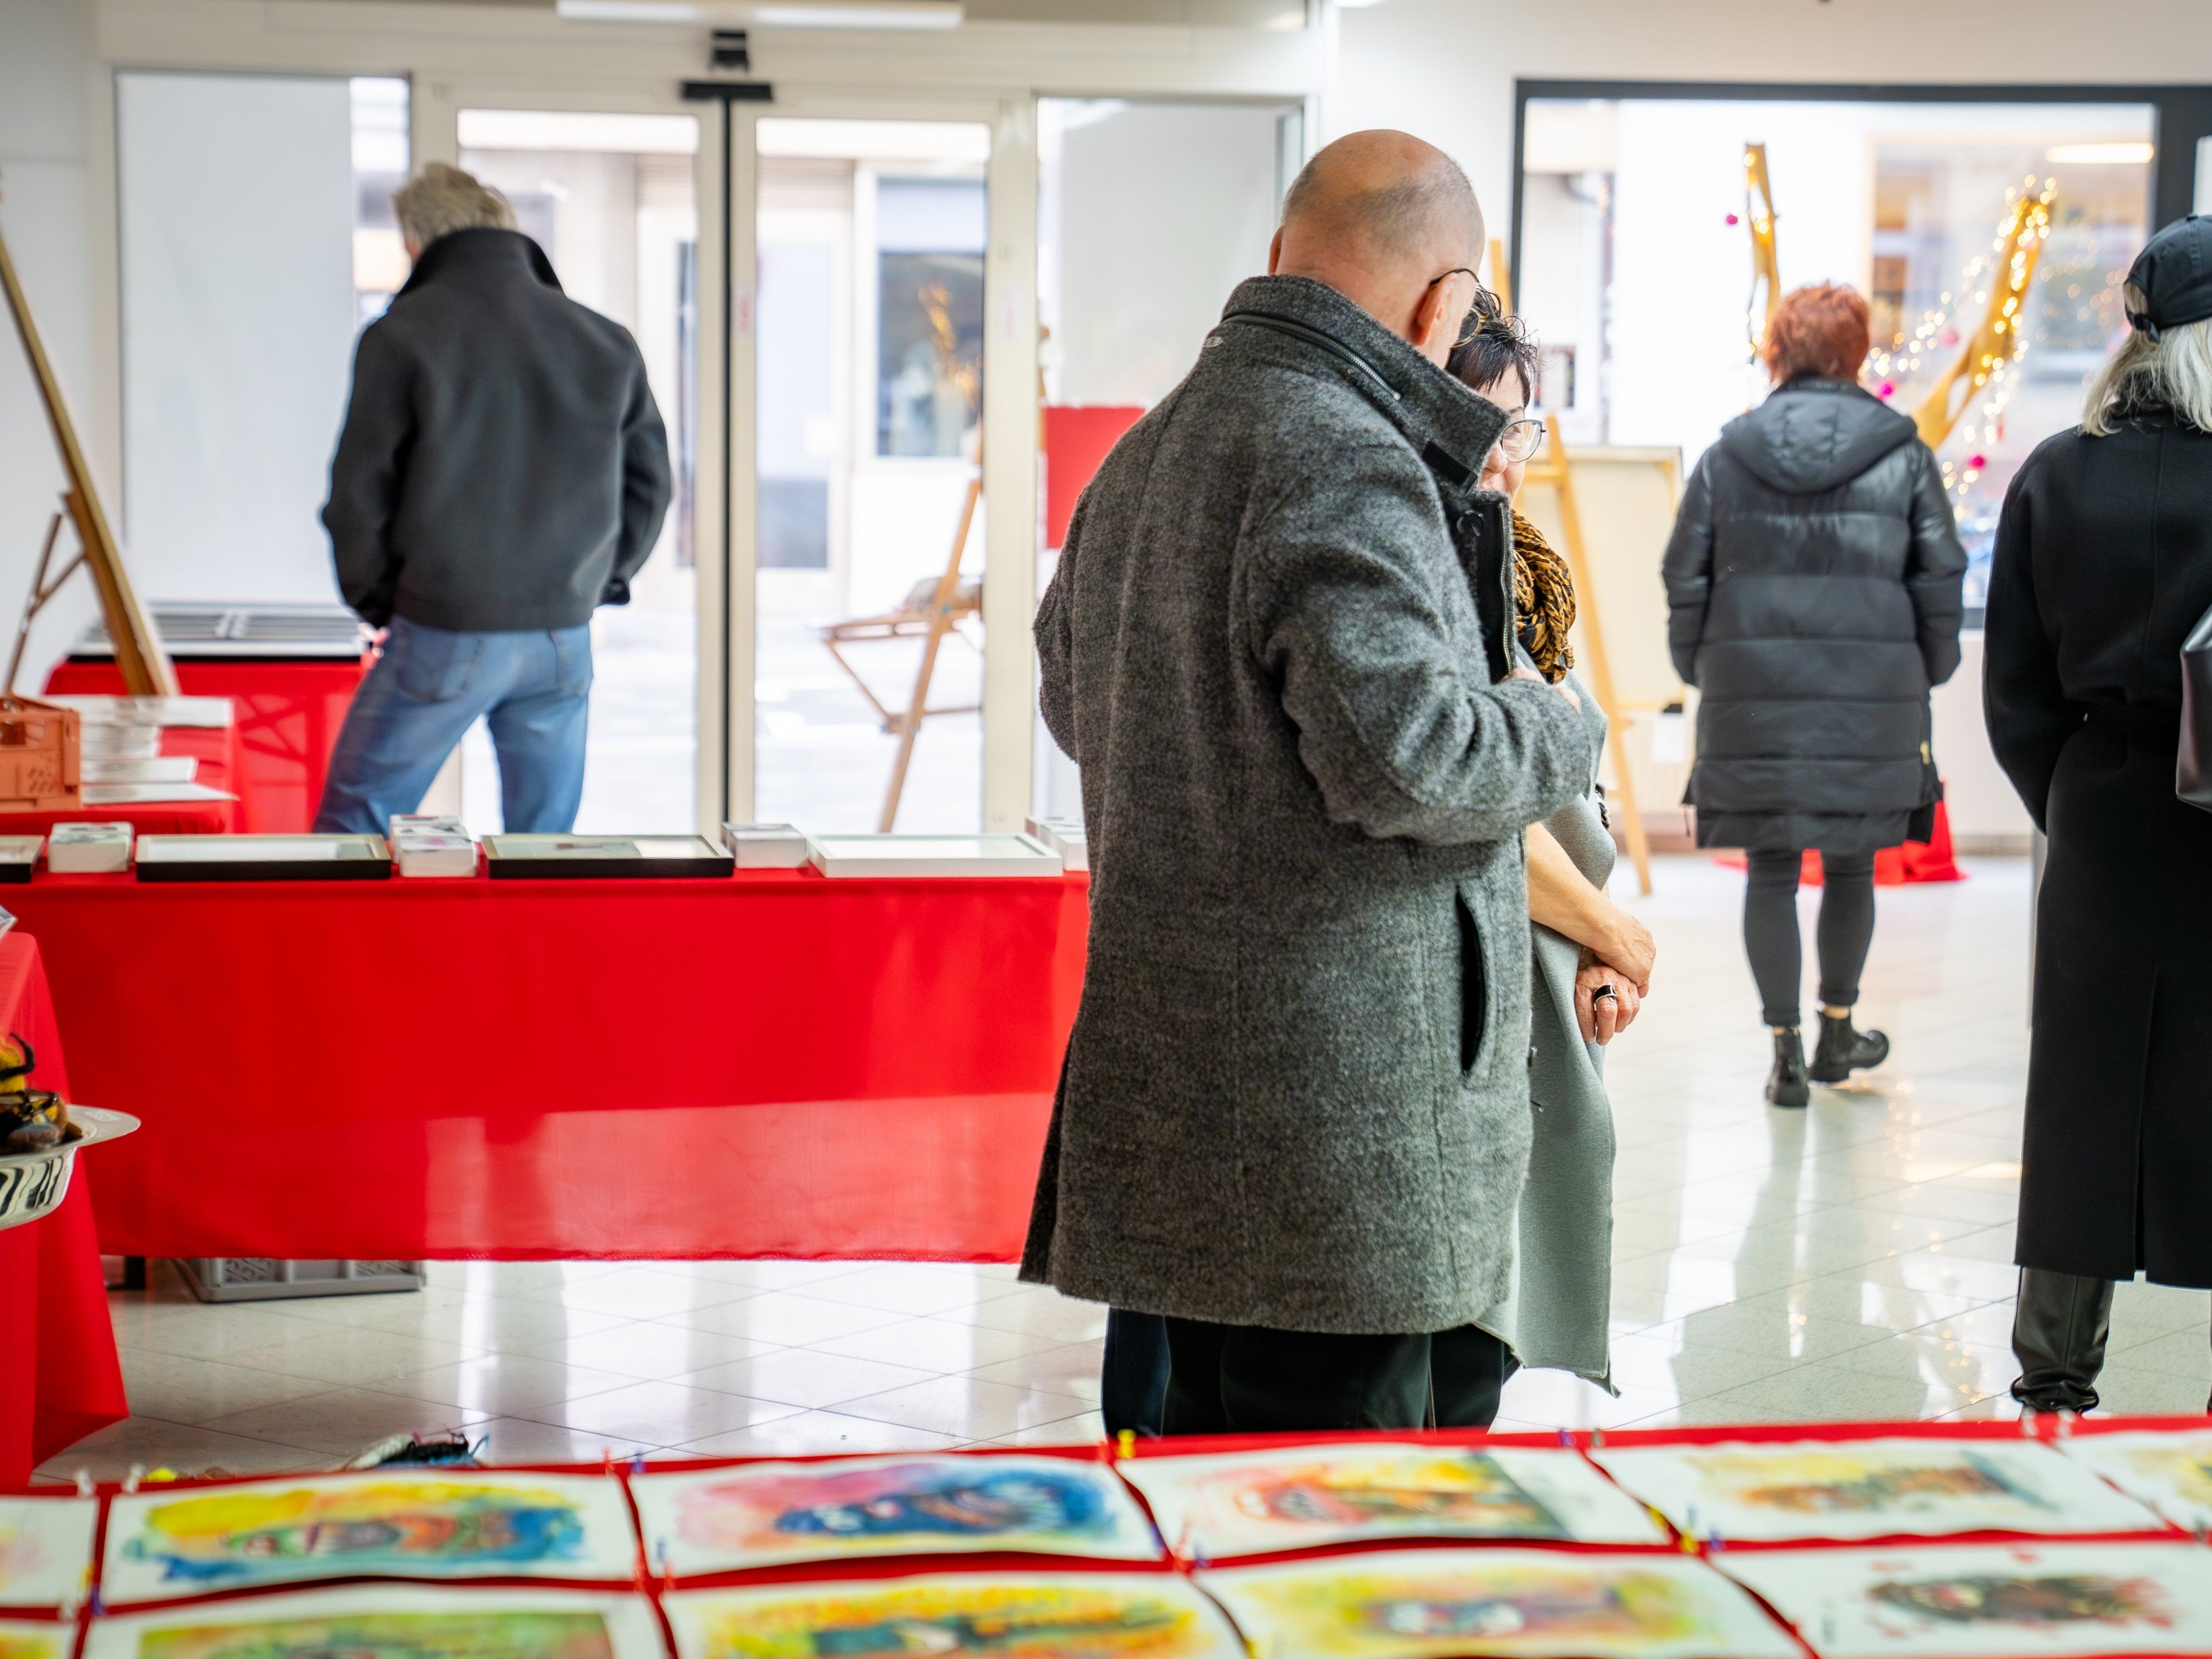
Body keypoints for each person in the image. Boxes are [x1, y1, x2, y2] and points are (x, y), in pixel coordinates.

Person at [1023, 129, 1592, 1436]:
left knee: (1219, 1496)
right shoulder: (1345, 455)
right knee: (1341, 1533)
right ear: (1443, 305)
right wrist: (1555, 726)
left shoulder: (1147, 452)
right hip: (1340, 1125)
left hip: (1188, 1088)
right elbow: (1413, 757)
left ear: (1279, 256)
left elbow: (1071, 700)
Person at [1984, 215, 2212, 1414]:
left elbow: (2012, 695)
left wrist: (2072, 803)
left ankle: (2051, 1376)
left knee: (2077, 1097)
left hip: (2100, 819)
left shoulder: (2054, 474)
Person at [1662, 283, 1966, 1109]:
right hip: (1871, 697)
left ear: (1777, 351)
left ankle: (1786, 1051)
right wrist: (1928, 666)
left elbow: (1681, 571)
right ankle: (1838, 1030)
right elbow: (1940, 571)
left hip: (1749, 692)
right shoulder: (1902, 454)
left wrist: (1701, 666)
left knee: (1768, 869)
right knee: (1851, 864)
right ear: (1858, 353)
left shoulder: (1728, 455)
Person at [1433, 294, 1655, 1411]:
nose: (1510, 460)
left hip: (1550, 959)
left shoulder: (1521, 568)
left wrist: (1602, 946)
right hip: (1466, 971)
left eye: (1524, 429)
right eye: (1490, 426)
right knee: (1460, 1320)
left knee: (1497, 1317)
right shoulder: (1409, 566)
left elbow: (1572, 791)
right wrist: (1611, 929)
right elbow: (1466, 796)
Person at [315, 162, 671, 835]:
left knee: (353, 830)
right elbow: (650, 486)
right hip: (563, 635)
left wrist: (378, 599)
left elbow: (358, 497)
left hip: (445, 627)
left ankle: (340, 946)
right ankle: (533, 946)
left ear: (415, 244)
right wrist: (597, 581)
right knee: (542, 851)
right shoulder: (603, 339)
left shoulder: (403, 335)